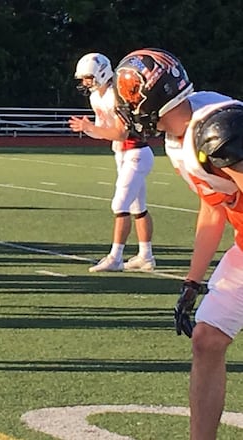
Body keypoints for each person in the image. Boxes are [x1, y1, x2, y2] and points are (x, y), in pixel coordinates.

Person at [114, 48, 243, 440]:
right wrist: (192, 281)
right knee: (207, 339)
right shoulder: (182, 134)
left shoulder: (218, 130)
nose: (127, 106)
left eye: (131, 96)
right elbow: (212, 207)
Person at [69, 53, 156, 272]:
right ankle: (146, 256)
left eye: (88, 77)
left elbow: (120, 133)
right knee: (138, 207)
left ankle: (115, 257)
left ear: (100, 73)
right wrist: (90, 129)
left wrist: (89, 128)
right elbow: (104, 132)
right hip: (122, 153)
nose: (85, 82)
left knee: (120, 205)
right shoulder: (96, 97)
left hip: (136, 152)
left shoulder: (116, 95)